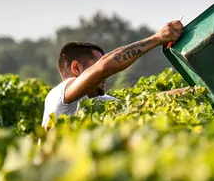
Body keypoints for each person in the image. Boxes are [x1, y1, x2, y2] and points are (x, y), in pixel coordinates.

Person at [41, 20, 184, 129]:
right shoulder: (59, 95)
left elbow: (142, 103)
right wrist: (157, 39)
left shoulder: (101, 103)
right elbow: (103, 68)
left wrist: (189, 91)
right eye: (95, 63)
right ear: (76, 68)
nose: (106, 76)